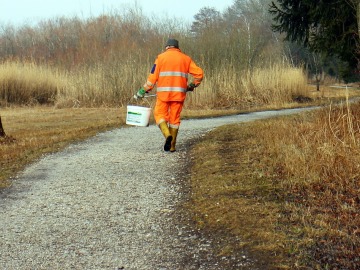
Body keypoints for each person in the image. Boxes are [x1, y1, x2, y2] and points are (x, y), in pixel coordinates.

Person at [134, 38, 204, 152]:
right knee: (174, 119)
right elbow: (199, 74)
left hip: (163, 95)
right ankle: (172, 146)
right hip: (179, 95)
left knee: (159, 114)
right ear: (177, 47)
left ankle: (167, 136)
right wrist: (192, 85)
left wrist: (143, 90)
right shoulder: (186, 59)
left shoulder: (160, 58)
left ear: (167, 47)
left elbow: (152, 78)